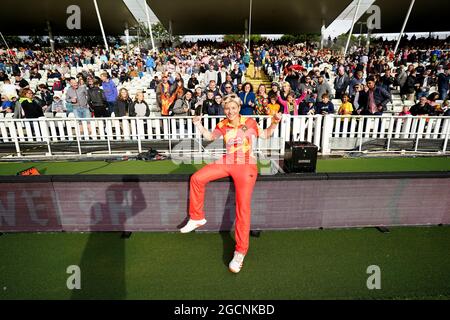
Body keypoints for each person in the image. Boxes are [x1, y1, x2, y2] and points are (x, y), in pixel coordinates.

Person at [180, 94, 283, 273]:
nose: (230, 111)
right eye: (227, 108)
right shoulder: (222, 124)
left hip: (246, 165)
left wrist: (275, 121)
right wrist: (197, 123)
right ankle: (197, 217)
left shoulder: (249, 122)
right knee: (197, 178)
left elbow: (266, 134)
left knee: (242, 208)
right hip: (228, 161)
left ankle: (240, 252)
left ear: (238, 107)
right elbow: (210, 136)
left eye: (233, 108)